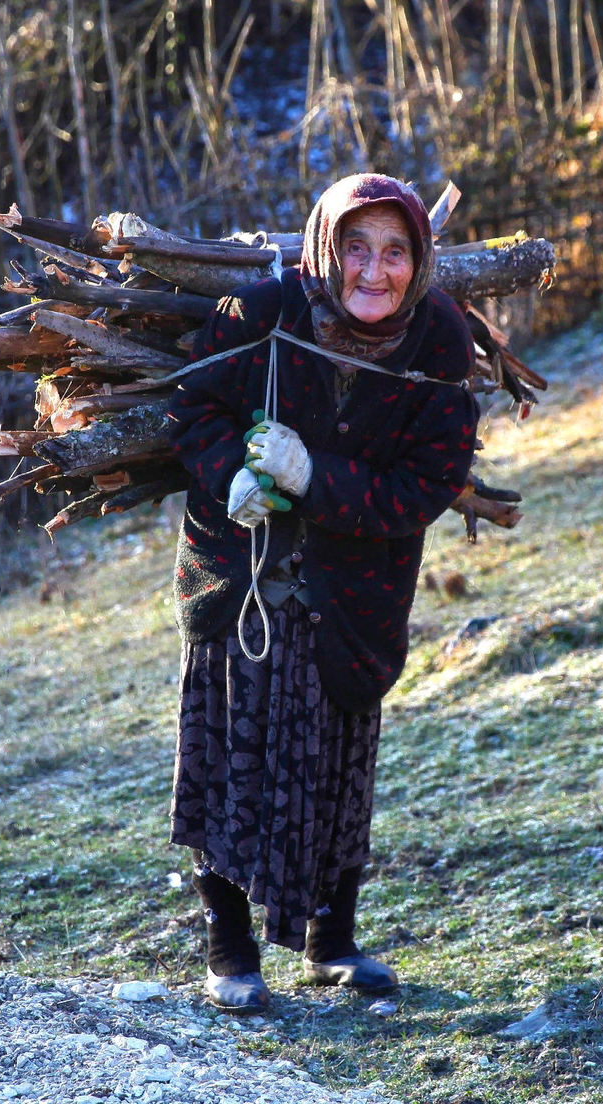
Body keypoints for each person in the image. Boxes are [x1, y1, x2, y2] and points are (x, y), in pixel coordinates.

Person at [167, 173, 478, 1014]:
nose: (373, 272)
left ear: (419, 261)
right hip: (243, 585)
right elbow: (192, 407)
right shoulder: (262, 315)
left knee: (340, 766)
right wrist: (233, 472)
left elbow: (428, 482)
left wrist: (314, 478)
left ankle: (330, 941)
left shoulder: (439, 341)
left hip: (354, 592)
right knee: (231, 764)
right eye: (354, 247)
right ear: (323, 248)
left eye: (395, 252)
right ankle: (229, 948)